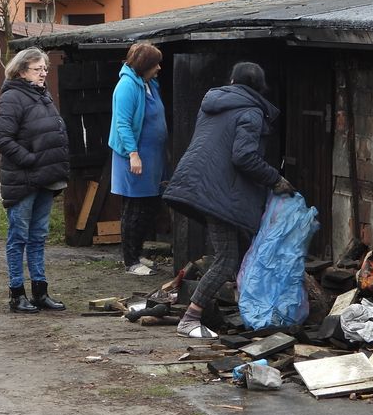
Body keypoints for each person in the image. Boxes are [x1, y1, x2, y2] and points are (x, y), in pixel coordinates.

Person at [163, 62, 294, 338]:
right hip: (219, 193)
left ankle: (233, 310)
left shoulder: (213, 104)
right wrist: (275, 179)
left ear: (232, 81)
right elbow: (243, 156)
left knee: (244, 248)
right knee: (226, 259)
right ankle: (190, 318)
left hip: (200, 184)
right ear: (260, 88)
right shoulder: (251, 111)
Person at [0, 47, 70, 314]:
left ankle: (40, 291)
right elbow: (2, 139)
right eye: (38, 69)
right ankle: (17, 294)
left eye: (45, 69)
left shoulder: (42, 95)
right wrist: (30, 160)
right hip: (23, 180)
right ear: (22, 71)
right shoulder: (13, 97)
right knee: (19, 238)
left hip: (45, 179)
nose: (43, 73)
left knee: (38, 237)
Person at [108, 41, 167, 276]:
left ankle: (138, 252)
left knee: (149, 206)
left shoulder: (148, 83)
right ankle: (130, 261)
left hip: (152, 156)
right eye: (155, 64)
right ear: (144, 65)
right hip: (134, 156)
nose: (159, 68)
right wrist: (134, 154)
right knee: (134, 207)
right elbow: (122, 123)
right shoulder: (126, 87)